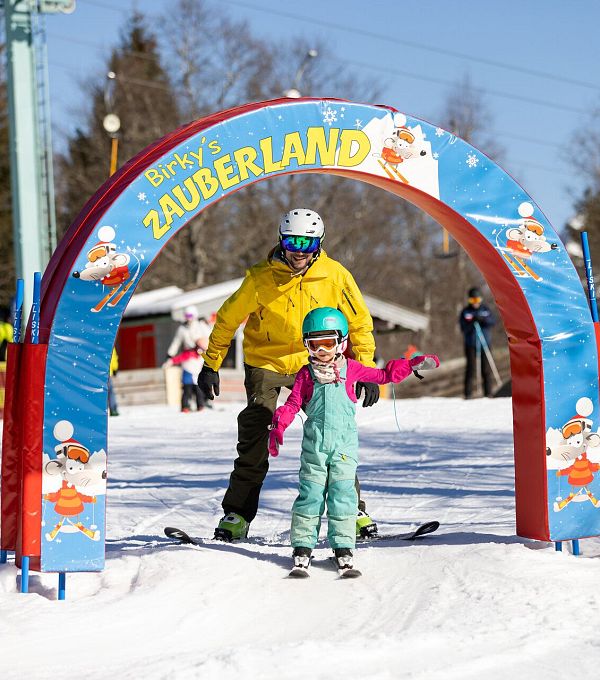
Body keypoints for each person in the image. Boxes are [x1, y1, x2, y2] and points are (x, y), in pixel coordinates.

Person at [197, 208, 382, 542]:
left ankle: (351, 508)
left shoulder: (335, 275)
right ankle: (237, 513)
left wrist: (365, 369)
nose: (300, 251)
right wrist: (211, 364)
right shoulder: (259, 278)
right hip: (266, 363)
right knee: (257, 431)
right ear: (280, 241)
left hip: (317, 362)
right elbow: (226, 320)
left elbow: (360, 323)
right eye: (293, 242)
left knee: (333, 434)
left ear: (319, 245)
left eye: (308, 244)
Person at [268, 307, 439, 575]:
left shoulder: (352, 368)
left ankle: (343, 548)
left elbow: (384, 376)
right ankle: (302, 548)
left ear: (342, 343)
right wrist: (279, 425)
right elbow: (292, 404)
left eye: (328, 343)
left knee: (343, 496)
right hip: (315, 448)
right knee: (310, 495)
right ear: (306, 345)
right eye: (314, 345)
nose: (321, 351)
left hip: (344, 448)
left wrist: (411, 364)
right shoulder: (305, 374)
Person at [168, 306, 211, 412]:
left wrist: (205, 348)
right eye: (186, 316)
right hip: (188, 358)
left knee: (199, 384)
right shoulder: (182, 329)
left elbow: (209, 337)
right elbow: (176, 342)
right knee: (187, 384)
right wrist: (170, 354)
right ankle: (185, 406)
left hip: (200, 357)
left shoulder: (201, 326)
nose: (188, 318)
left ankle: (201, 405)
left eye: (190, 315)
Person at [459, 287, 496, 399]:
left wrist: (483, 320)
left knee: (486, 368)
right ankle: (468, 393)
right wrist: (472, 323)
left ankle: (488, 393)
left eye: (477, 300)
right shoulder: (466, 312)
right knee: (471, 368)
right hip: (471, 344)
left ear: (480, 299)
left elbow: (492, 321)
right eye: (472, 301)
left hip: (484, 343)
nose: (475, 303)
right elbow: (463, 327)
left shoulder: (485, 310)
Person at [108, 348, 119, 416]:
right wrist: (115, 368)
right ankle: (113, 409)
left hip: (98, 373)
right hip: (108, 373)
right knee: (110, 392)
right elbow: (113, 357)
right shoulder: (110, 345)